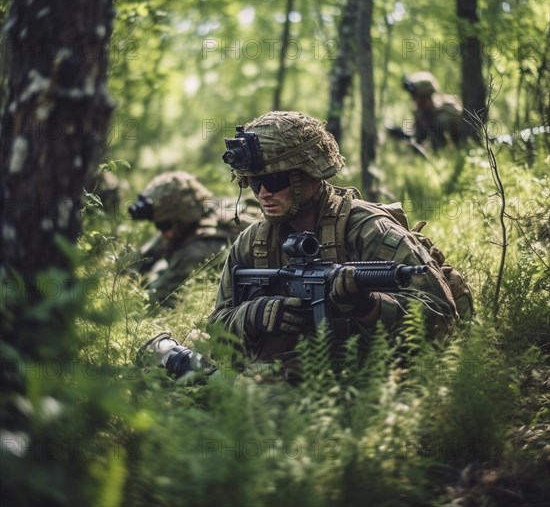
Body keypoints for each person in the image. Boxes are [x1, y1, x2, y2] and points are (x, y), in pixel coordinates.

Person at [141, 111, 470, 381]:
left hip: (369, 385)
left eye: (275, 181)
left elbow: (441, 315)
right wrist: (251, 315)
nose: (263, 193)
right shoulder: (252, 243)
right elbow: (218, 328)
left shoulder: (366, 229)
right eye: (255, 183)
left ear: (311, 174)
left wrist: (367, 305)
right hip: (279, 383)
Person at [128, 171, 253, 308]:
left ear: (183, 217)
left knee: (159, 270)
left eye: (165, 225)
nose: (164, 234)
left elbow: (157, 297)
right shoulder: (196, 215)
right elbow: (137, 260)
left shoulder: (199, 248)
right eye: (159, 226)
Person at [401, 71, 464, 150]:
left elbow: (460, 142)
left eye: (414, 95)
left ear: (424, 96)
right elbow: (418, 136)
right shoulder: (422, 113)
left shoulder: (448, 112)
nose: (413, 99)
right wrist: (403, 134)